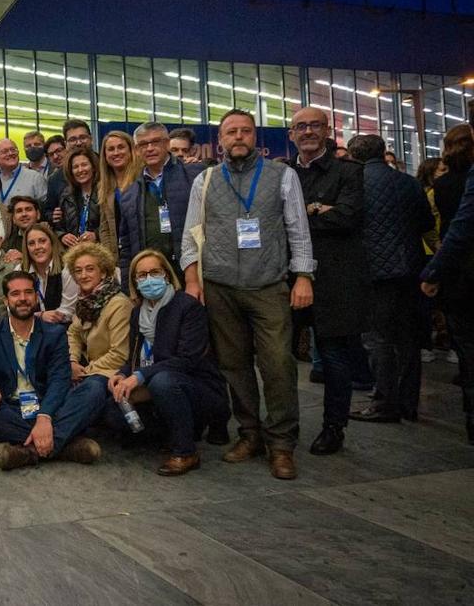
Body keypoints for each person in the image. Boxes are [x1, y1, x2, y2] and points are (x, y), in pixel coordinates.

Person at [180, 109, 315, 481]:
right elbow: (191, 235)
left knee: (277, 366)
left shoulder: (282, 176)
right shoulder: (205, 180)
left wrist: (303, 276)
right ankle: (251, 434)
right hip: (220, 287)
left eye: (245, 131)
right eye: (230, 132)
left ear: (255, 137)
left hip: (269, 285)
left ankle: (282, 444)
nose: (238, 137)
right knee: (234, 367)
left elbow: (298, 231)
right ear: (219, 139)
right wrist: (193, 281)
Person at [288, 108, 368, 456]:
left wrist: (302, 215)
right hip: (287, 277)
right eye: (300, 126)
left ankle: (334, 427)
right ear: (292, 134)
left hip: (335, 278)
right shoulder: (283, 172)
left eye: (314, 126)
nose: (307, 132)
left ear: (327, 130)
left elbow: (348, 217)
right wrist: (319, 208)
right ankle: (282, 427)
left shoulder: (348, 171)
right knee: (280, 356)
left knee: (334, 356)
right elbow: (277, 222)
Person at [108, 249, 231, 476]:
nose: (148, 279)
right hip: (154, 382)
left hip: (196, 386)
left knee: (163, 382)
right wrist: (122, 373)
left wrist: (141, 376)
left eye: (154, 272)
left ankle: (185, 451)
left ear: (166, 274)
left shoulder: (187, 307)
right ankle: (170, 433)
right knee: (113, 411)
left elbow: (187, 360)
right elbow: (135, 355)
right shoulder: (138, 313)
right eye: (141, 275)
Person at [0, 271, 101, 470]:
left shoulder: (54, 334)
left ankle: (28, 452)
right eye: (15, 294)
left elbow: (60, 379)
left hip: (48, 406)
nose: (22, 299)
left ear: (36, 297)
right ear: (6, 299)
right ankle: (62, 446)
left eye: (28, 293)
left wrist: (45, 416)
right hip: (11, 409)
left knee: (94, 389)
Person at [345, 135, 431, 424]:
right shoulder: (408, 182)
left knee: (376, 339)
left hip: (373, 271)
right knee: (408, 339)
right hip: (410, 270)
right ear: (383, 152)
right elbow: (426, 223)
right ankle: (409, 402)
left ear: (353, 155)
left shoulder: (354, 183)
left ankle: (384, 402)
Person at [420, 124, 474, 443]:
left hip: (461, 276)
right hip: (462, 271)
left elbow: (455, 231)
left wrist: (433, 272)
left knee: (468, 349)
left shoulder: (446, 185)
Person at [62, 242, 131, 452]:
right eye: (78, 271)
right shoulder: (85, 300)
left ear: (103, 272)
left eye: (90, 269)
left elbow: (119, 354)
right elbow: (73, 332)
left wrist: (84, 373)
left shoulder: (118, 303)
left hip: (112, 371)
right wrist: (72, 361)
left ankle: (57, 437)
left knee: (91, 388)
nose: (83, 275)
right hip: (89, 367)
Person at [113, 123, 203, 277]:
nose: (149, 148)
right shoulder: (129, 194)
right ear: (136, 150)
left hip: (192, 273)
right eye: (143, 144)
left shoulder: (195, 176)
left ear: (167, 143)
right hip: (152, 278)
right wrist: (129, 289)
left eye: (155, 142)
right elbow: (127, 247)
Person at [96, 131, 143, 277]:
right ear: (105, 155)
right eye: (110, 149)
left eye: (121, 147)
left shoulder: (142, 178)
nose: (116, 153)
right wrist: (110, 261)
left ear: (131, 150)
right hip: (118, 260)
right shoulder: (103, 186)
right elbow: (105, 228)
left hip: (142, 252)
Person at [56, 146, 101, 249]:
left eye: (84, 165)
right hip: (74, 253)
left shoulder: (105, 192)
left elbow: (115, 223)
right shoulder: (66, 195)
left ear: (93, 167)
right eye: (75, 167)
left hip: (99, 250)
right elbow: (58, 227)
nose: (80, 170)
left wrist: (96, 235)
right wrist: (63, 236)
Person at [22, 225, 67, 321]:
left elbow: (68, 311)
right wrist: (41, 316)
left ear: (52, 242)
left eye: (42, 241)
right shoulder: (20, 271)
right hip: (32, 330)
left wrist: (35, 316)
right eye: (31, 243)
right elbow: (15, 310)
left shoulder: (66, 268)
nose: (37, 247)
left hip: (64, 329)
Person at [0, 138, 47, 205]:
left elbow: (45, 208)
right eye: (5, 151)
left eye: (13, 150)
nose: (10, 153)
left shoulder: (35, 178)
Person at [2, 195, 47, 263]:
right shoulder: (8, 244)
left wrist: (24, 259)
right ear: (13, 219)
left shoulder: (51, 236)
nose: (24, 214)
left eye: (28, 209)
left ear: (38, 214)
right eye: (19, 211)